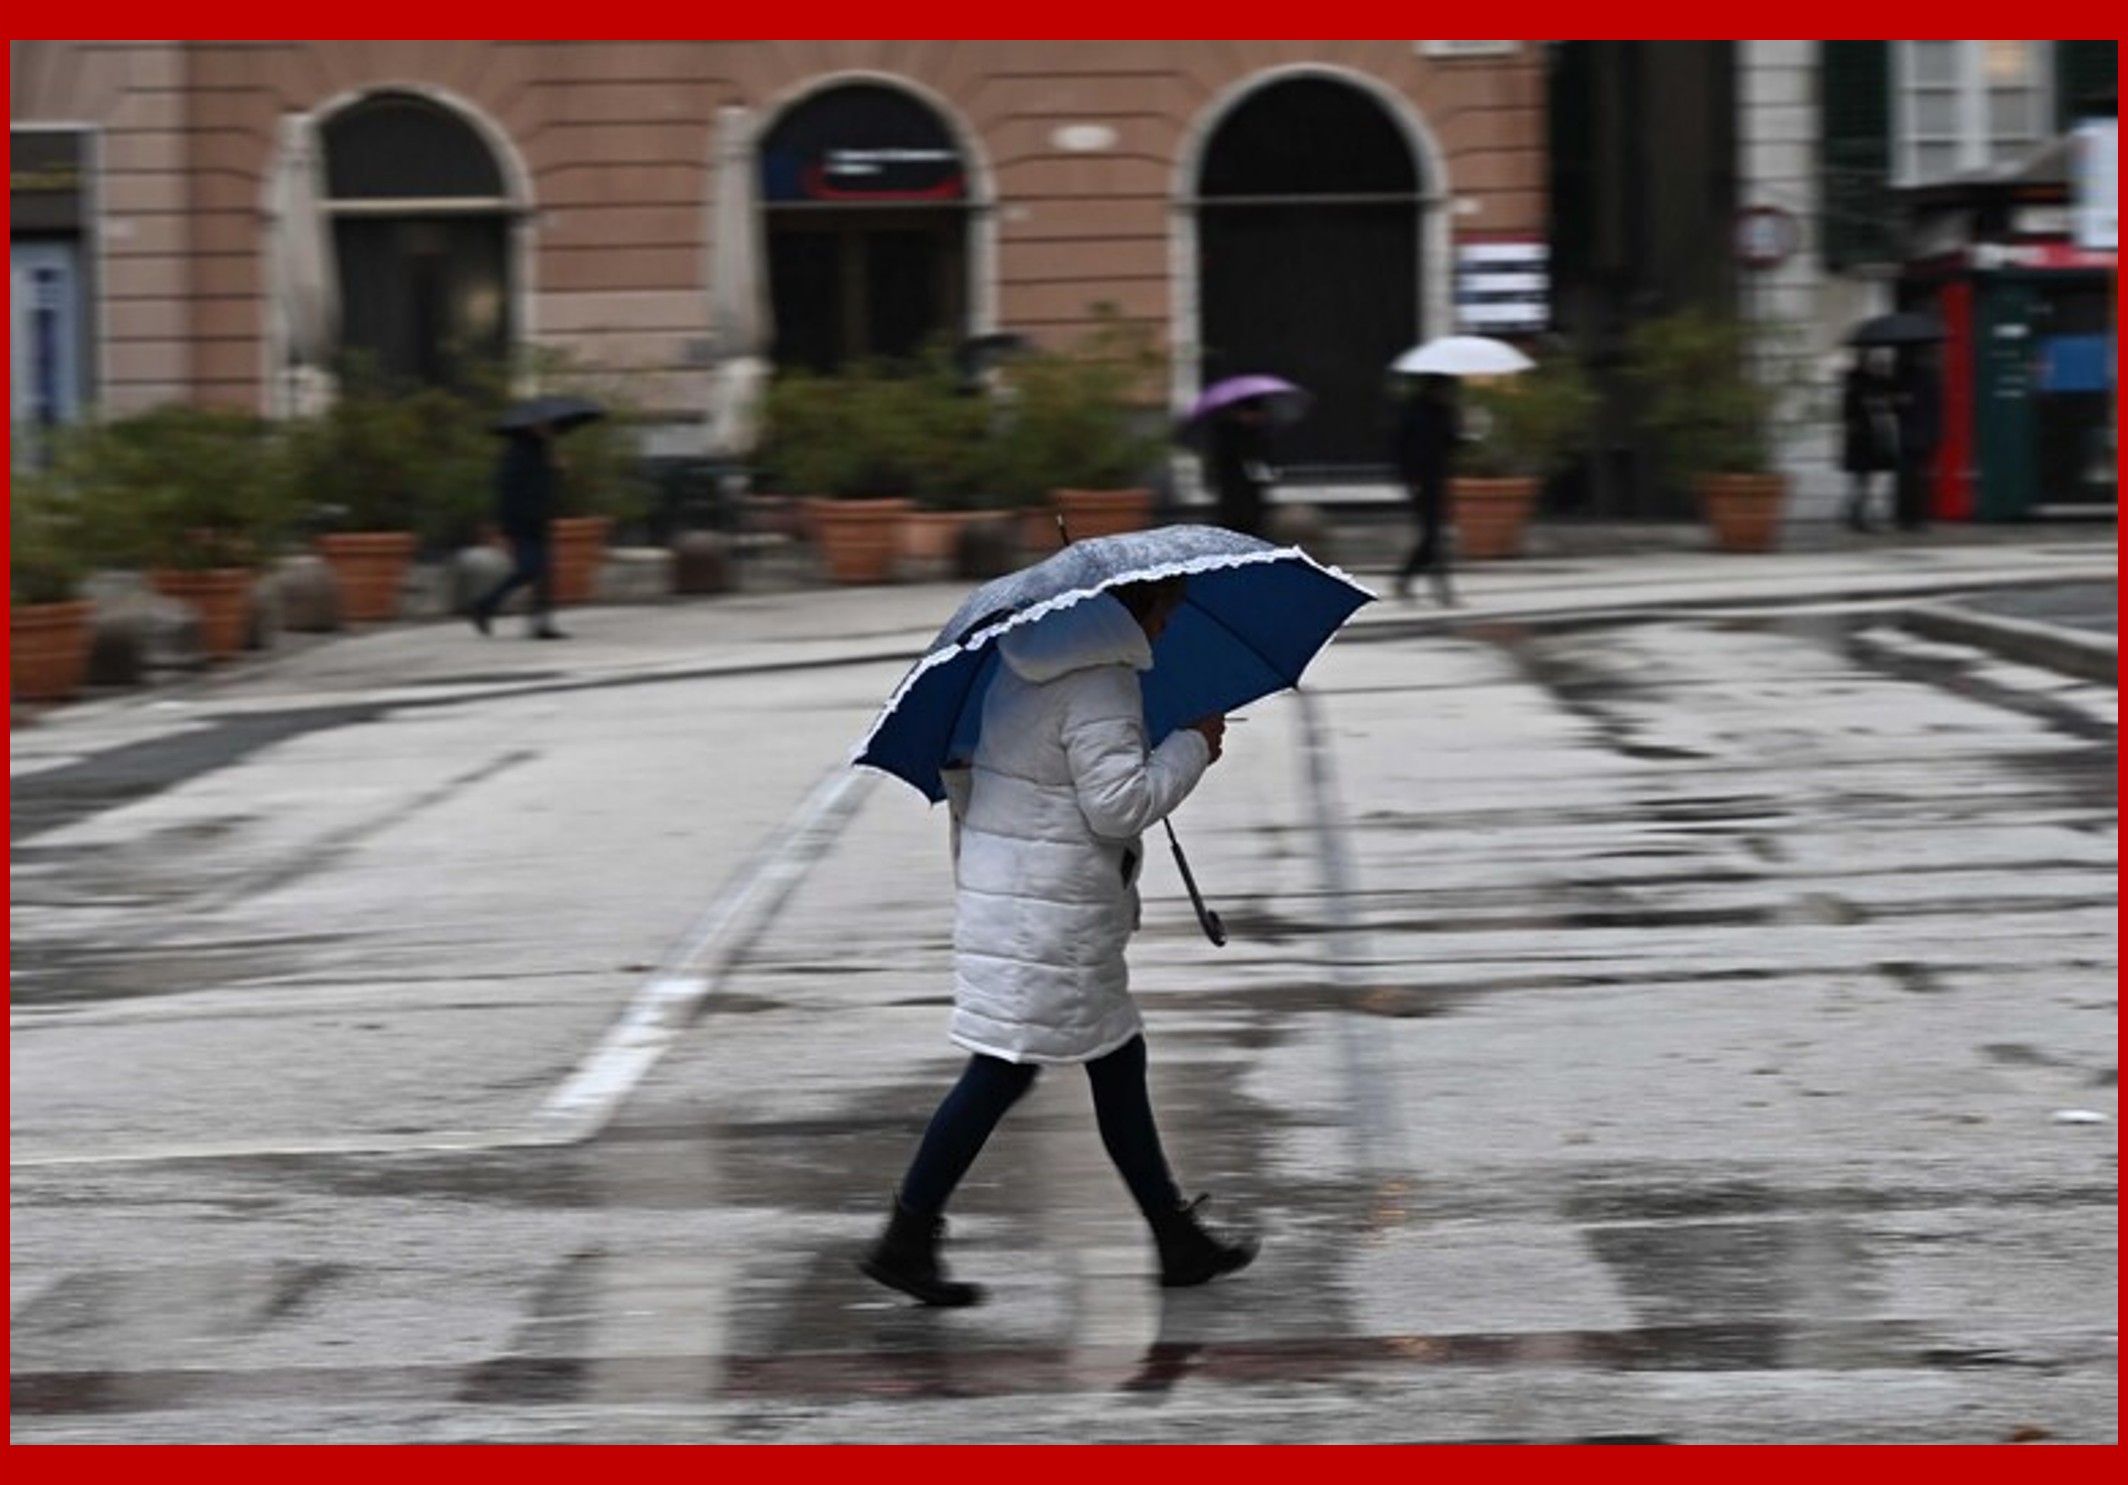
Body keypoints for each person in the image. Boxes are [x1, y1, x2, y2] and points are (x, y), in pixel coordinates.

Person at [860, 574, 1259, 1306]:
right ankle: (906, 1236)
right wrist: (1191, 747)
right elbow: (1118, 806)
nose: (1170, 625)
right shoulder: (1099, 684)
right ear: (1142, 608)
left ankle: (1173, 1237)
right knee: (1010, 1069)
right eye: (1169, 609)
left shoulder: (1025, 665)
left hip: (1023, 899)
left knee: (1100, 1058)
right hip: (1050, 913)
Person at [469, 421, 567, 639]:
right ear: (533, 427)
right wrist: (504, 526)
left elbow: (545, 489)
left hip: (539, 519)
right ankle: (484, 604)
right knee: (530, 569)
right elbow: (507, 490)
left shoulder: (541, 449)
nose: (550, 429)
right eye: (545, 426)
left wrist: (556, 471)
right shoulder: (518, 453)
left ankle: (541, 624)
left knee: (544, 572)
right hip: (522, 521)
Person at [1391, 373, 1459, 604]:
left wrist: (1459, 427)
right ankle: (1434, 586)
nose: (1448, 395)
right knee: (1432, 536)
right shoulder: (1414, 414)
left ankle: (1415, 582)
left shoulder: (1445, 413)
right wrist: (1409, 479)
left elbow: (1451, 444)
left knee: (1435, 537)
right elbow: (1401, 449)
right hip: (1420, 483)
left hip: (1439, 481)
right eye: (1445, 390)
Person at [1839, 350, 1900, 533]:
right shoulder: (1857, 385)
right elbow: (1849, 413)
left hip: (1869, 438)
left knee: (1863, 480)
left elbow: (1888, 394)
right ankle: (1858, 516)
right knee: (1862, 479)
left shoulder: (1871, 382)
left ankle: (1856, 514)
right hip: (1862, 439)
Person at [1205, 398, 1275, 538]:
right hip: (1233, 494)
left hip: (1252, 497)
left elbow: (1263, 461)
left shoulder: (1258, 434)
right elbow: (1224, 461)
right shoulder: (1227, 434)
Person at [1892, 345, 1941, 533]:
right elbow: (1935, 407)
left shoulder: (1905, 378)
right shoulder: (1931, 377)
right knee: (1919, 478)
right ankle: (1918, 516)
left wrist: (1902, 403)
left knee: (1910, 479)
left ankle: (1910, 516)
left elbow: (1898, 407)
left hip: (1910, 435)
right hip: (1922, 435)